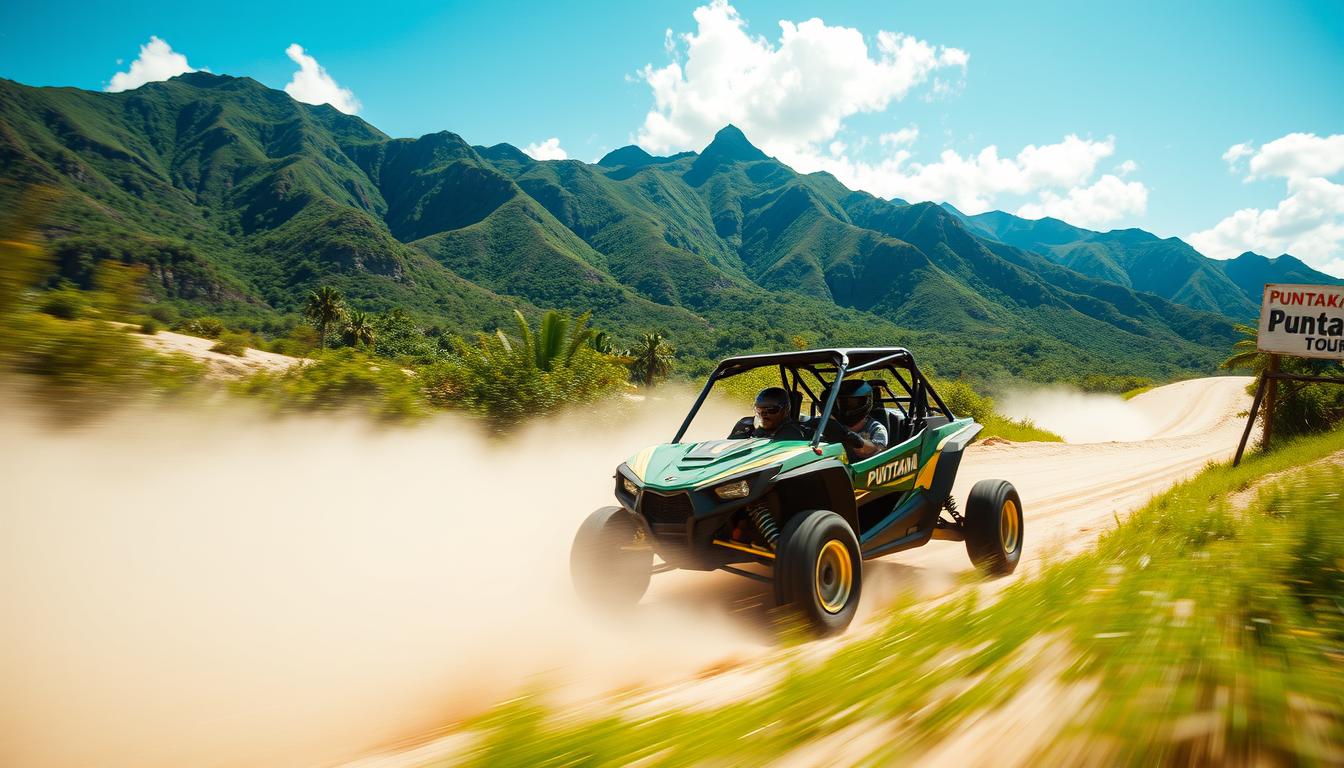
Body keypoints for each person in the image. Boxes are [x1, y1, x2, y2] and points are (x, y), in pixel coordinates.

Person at [823, 379, 888, 460]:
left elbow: (875, 450)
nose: (847, 407)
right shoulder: (833, 423)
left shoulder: (877, 428)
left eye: (852, 403)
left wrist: (848, 436)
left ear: (866, 402)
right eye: (843, 403)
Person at [728, 386, 808, 440]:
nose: (763, 414)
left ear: (785, 410)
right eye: (759, 410)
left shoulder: (791, 434)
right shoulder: (744, 425)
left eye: (770, 410)